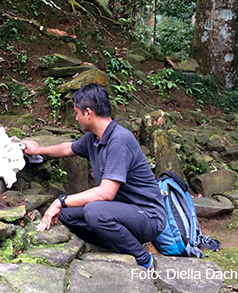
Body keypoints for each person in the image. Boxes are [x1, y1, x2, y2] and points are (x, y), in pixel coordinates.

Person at [23, 83, 166, 270]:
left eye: (77, 113)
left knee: (94, 212)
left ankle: (143, 259)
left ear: (88, 113)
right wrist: (38, 149)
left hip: (147, 216)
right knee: (65, 215)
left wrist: (61, 200)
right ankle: (121, 245)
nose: (76, 118)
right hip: (120, 210)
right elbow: (68, 148)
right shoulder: (95, 138)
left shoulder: (119, 140)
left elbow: (106, 193)